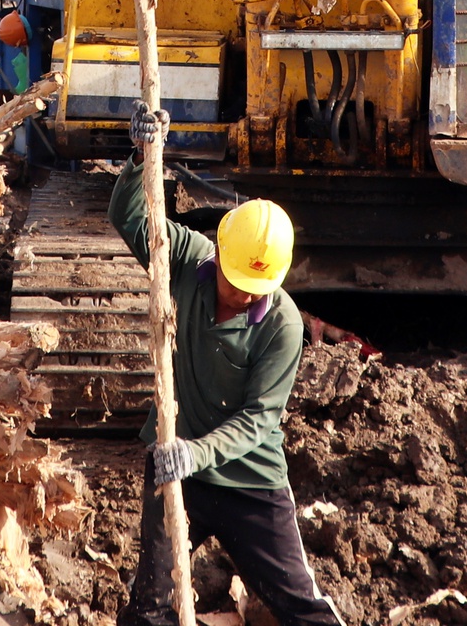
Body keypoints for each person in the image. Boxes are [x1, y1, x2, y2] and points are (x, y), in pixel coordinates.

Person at [108, 148, 344, 626]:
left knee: (300, 607)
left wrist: (197, 453)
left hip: (249, 482)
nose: (246, 295)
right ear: (217, 254)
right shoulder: (187, 258)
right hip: (175, 468)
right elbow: (130, 218)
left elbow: (259, 420)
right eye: (236, 282)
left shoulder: (283, 324)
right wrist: (139, 157)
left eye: (257, 287)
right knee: (150, 608)